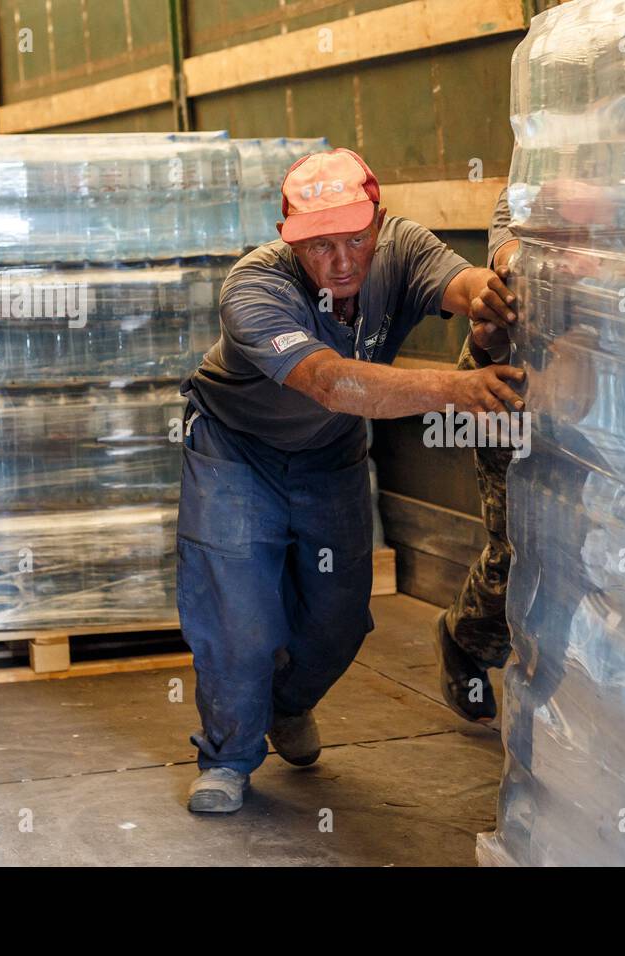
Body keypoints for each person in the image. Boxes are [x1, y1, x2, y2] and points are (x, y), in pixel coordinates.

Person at [177, 148, 523, 813]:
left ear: (379, 223)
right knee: (238, 620)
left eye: (353, 239)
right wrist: (455, 389)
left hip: (328, 456)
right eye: (318, 245)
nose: (338, 259)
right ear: (290, 242)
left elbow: (461, 284)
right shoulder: (254, 287)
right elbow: (331, 382)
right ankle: (228, 755)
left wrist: (494, 289)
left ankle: (288, 704)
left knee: (338, 617)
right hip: (235, 453)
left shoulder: (403, 248)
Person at [435, 187, 519, 722]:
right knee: (517, 547)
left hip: (597, 386)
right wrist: (514, 261)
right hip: (506, 376)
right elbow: (509, 220)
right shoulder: (559, 138)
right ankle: (463, 639)